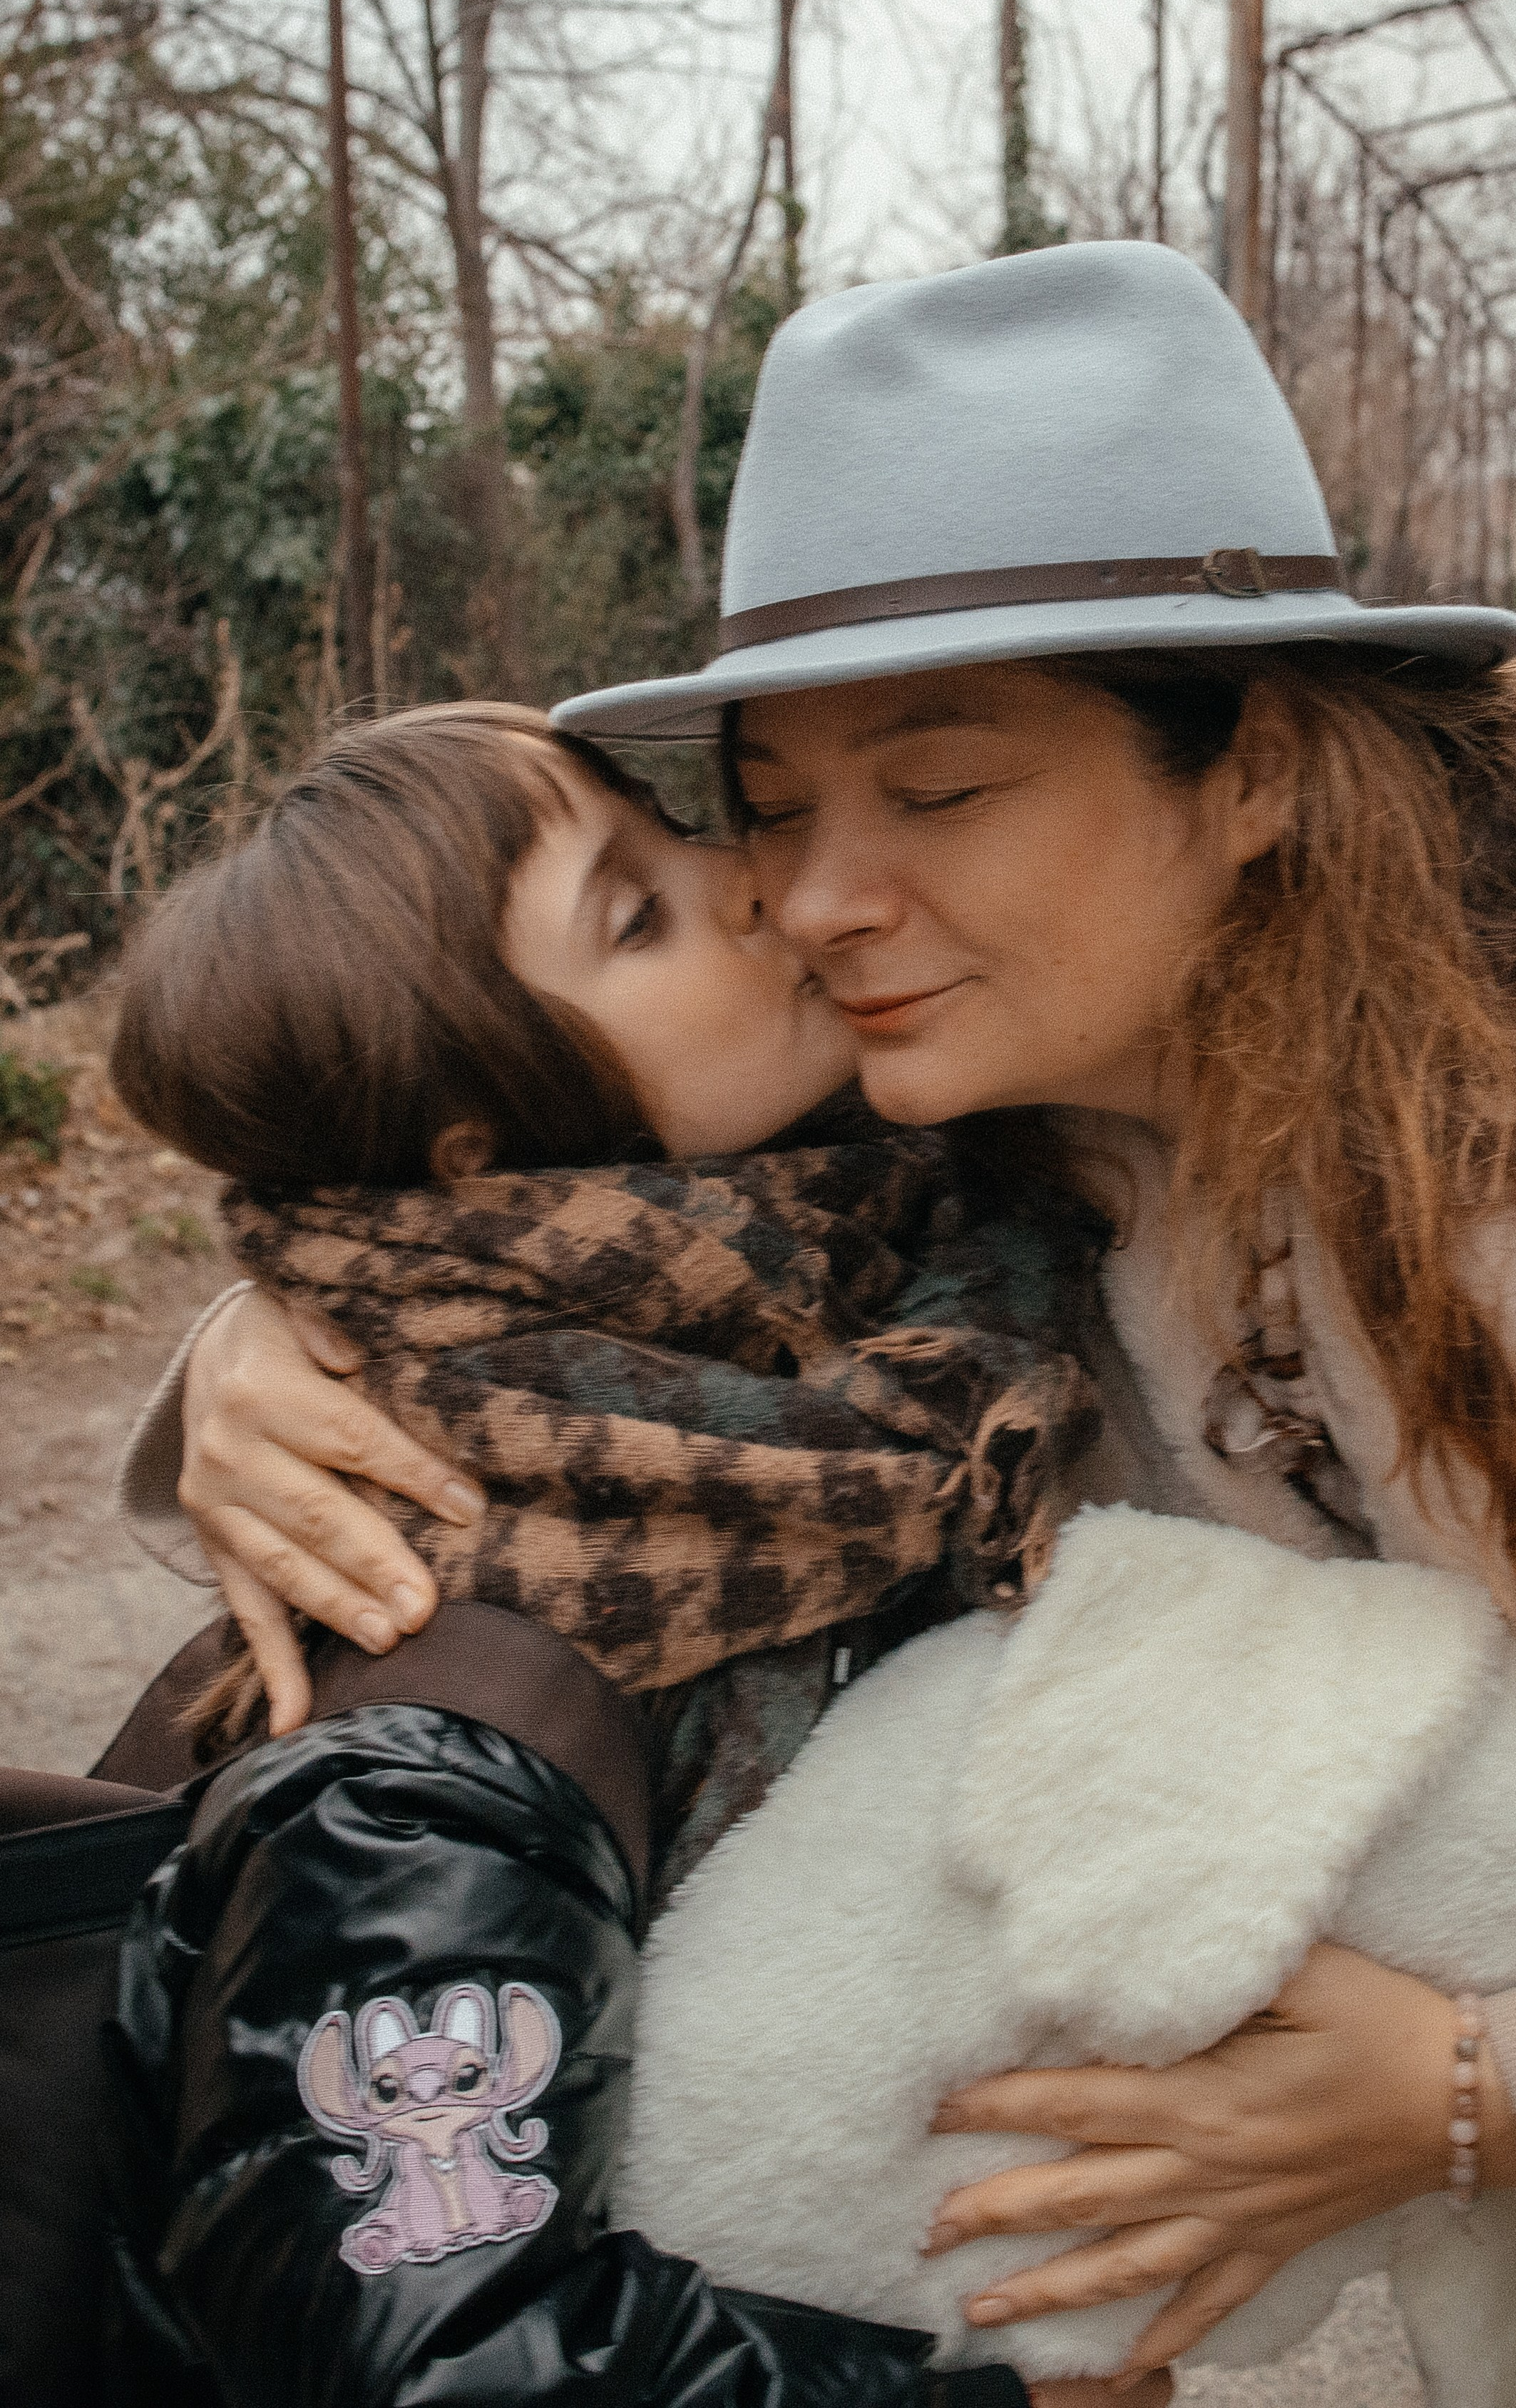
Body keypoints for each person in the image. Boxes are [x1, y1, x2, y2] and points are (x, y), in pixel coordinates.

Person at [124, 241, 1516, 2396]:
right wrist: (261, 1340)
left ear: (1252, 765)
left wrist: (1489, 2084)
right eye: (769, 804)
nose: (811, 898)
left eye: (940, 787)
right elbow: (575, 1240)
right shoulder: (1015, 1149)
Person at [99, 697, 1107, 2407]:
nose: (751, 886)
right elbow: (430, 2356)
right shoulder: (453, 1673)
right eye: (633, 911)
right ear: (478, 1148)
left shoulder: (877, 1315)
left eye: (675, 830)